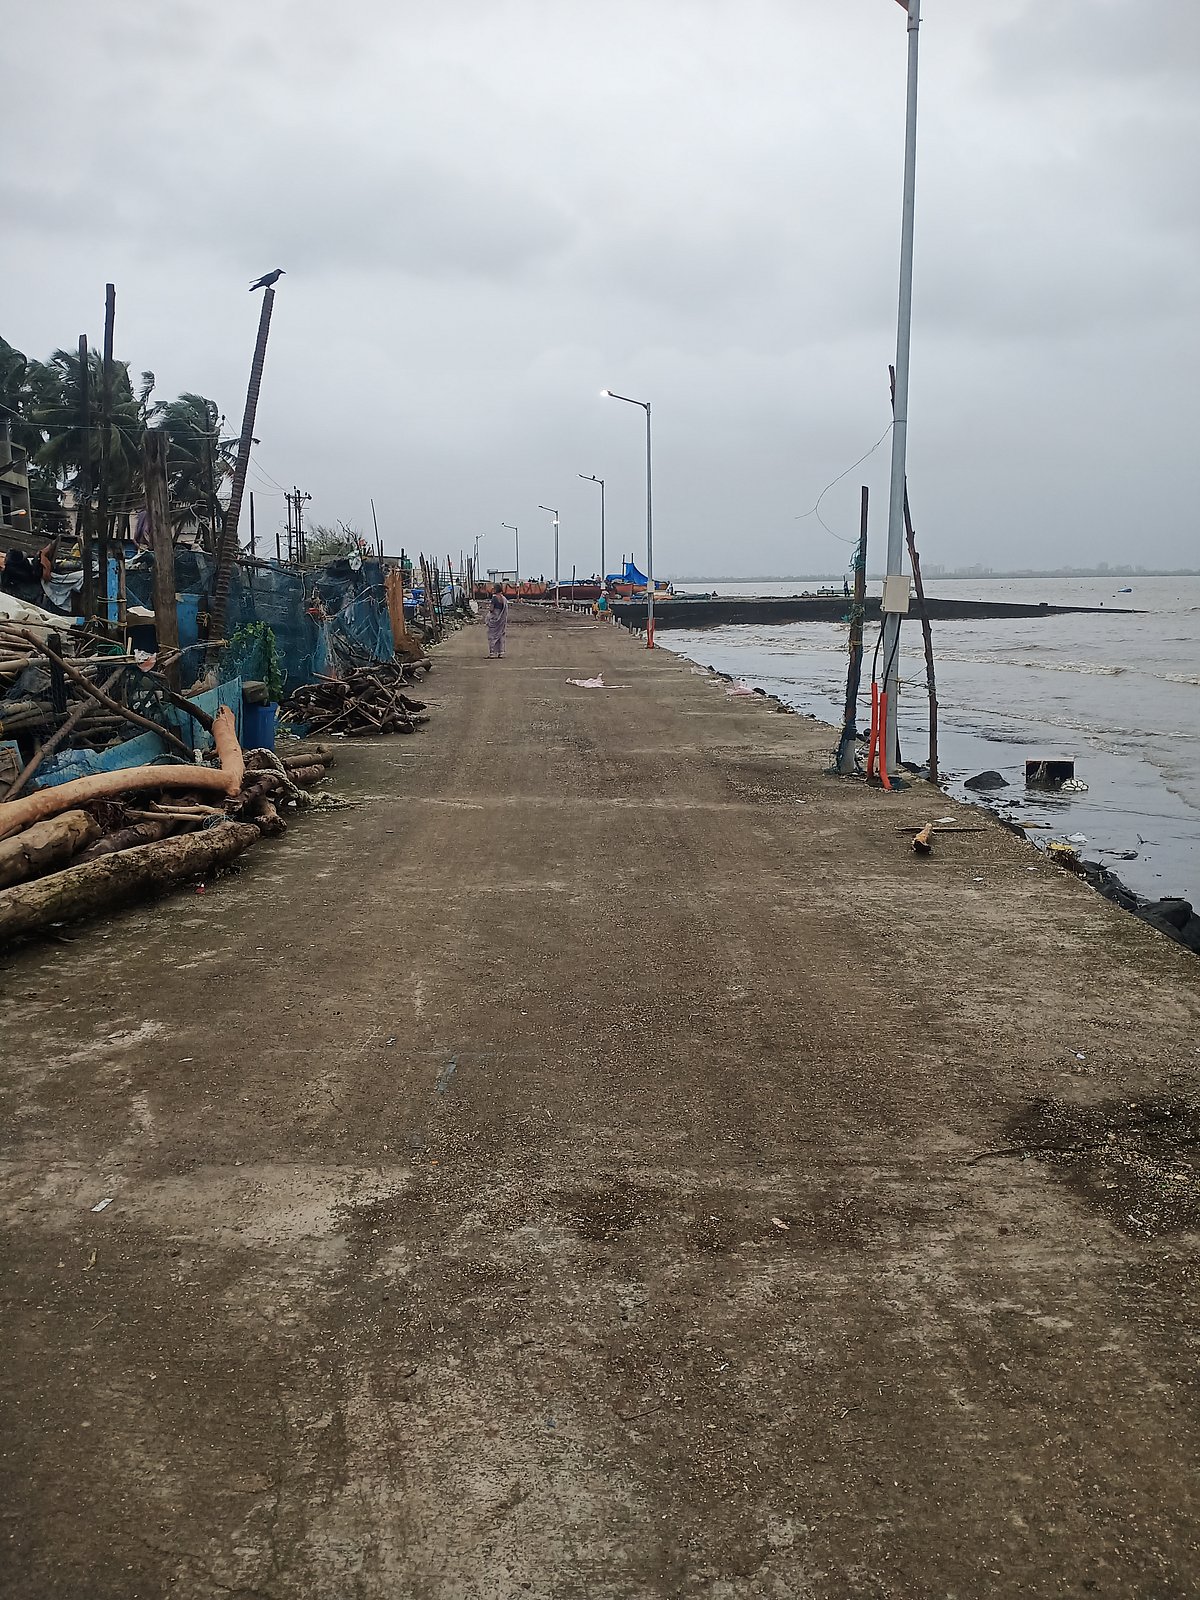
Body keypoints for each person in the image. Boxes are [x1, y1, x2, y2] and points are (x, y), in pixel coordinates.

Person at [487, 583, 508, 657]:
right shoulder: (503, 599)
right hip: (501, 619)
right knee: (501, 635)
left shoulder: (494, 598)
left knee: (492, 635)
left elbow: (491, 609)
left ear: (496, 589)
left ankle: (492, 653)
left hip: (494, 618)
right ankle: (501, 652)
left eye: (493, 588)